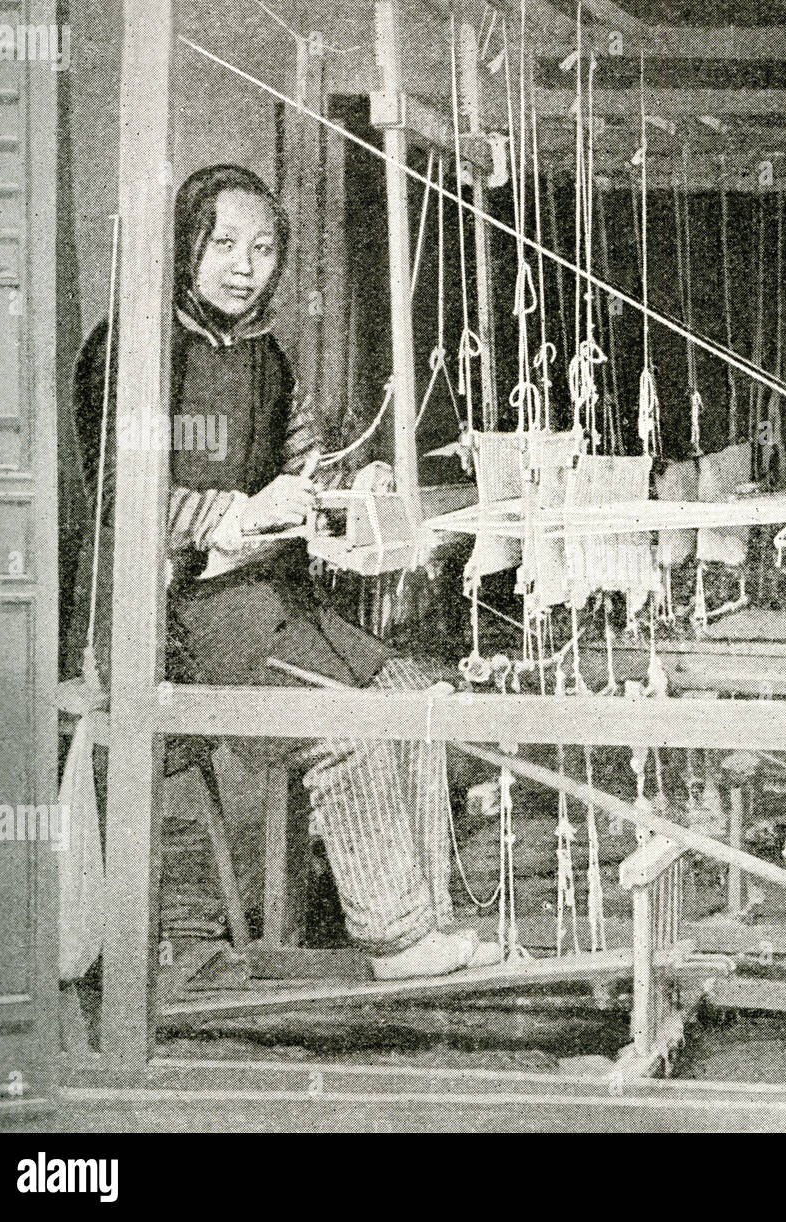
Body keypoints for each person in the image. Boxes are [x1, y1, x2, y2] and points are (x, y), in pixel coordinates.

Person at [68, 163, 497, 980]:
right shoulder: (135, 349)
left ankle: (426, 919)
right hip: (166, 614)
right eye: (224, 243)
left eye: (263, 248)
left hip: (260, 601)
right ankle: (395, 940)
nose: (244, 266)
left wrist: (349, 484)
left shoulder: (269, 358)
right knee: (347, 726)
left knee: (411, 696)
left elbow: (310, 465)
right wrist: (234, 515)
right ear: (186, 246)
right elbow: (124, 500)